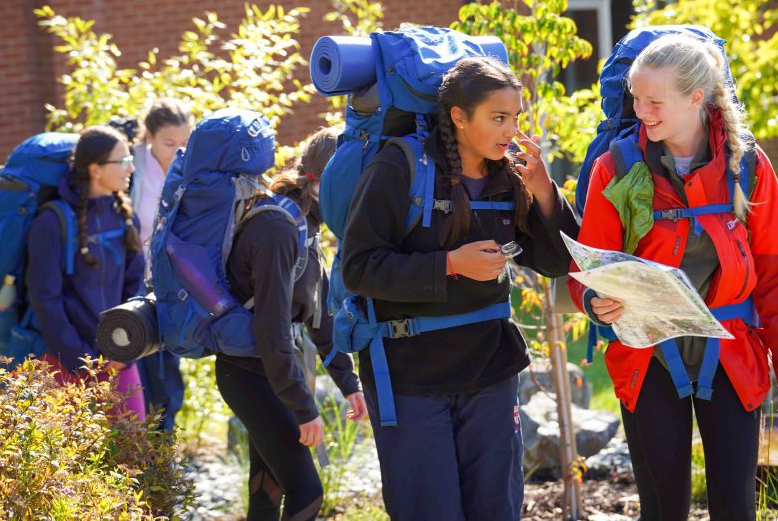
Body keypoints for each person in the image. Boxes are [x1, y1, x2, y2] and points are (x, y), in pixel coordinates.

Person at [573, 34, 778, 521]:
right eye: (635, 99)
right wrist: (594, 299)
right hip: (647, 357)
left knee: (736, 509)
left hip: (732, 354)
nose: (641, 112)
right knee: (663, 511)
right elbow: (590, 268)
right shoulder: (615, 166)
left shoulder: (747, 167)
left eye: (654, 102)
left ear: (696, 98)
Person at [341, 57, 580, 521]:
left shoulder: (509, 175)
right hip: (411, 375)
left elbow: (556, 262)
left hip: (491, 369)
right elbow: (359, 267)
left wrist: (544, 191)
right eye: (498, 117)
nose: (511, 131)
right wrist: (450, 264)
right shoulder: (399, 167)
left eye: (515, 117)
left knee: (497, 509)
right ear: (458, 116)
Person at [215, 127, 366, 521]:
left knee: (269, 486)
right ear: (327, 182)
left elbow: (320, 318)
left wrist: (348, 383)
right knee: (307, 493)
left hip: (269, 371)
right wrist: (302, 406)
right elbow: (272, 329)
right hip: (249, 373)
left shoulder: (306, 225)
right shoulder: (279, 228)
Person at [26, 125, 147, 420]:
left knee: (134, 442)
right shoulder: (52, 221)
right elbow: (46, 299)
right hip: (64, 362)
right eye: (123, 161)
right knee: (70, 448)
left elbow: (135, 289)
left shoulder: (124, 216)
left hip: (118, 359)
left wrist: (124, 347)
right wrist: (84, 360)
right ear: (95, 169)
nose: (131, 168)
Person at [130, 98, 193, 433]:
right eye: (170, 143)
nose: (179, 150)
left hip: (170, 285)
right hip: (131, 284)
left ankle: (164, 440)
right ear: (149, 136)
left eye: (185, 142)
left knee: (167, 368)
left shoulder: (190, 170)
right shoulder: (131, 168)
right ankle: (138, 443)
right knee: (136, 366)